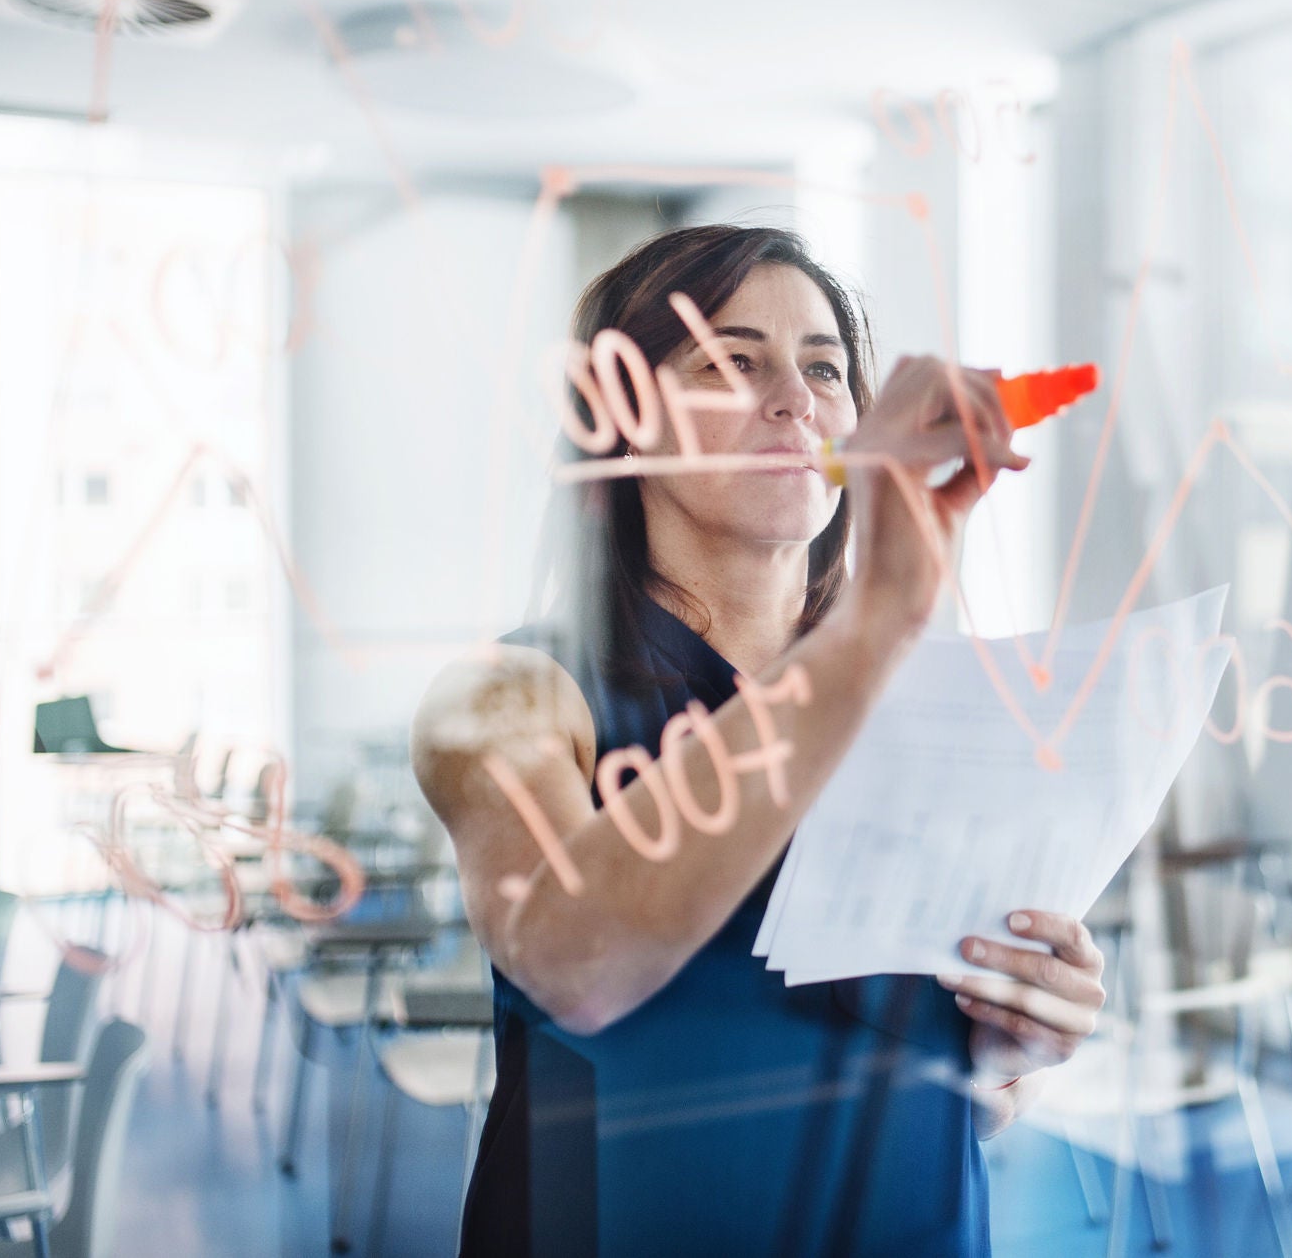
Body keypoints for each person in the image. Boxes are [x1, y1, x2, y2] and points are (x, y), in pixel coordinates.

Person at [412, 225, 1107, 1255]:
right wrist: (875, 622)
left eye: (823, 367)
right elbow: (573, 959)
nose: (794, 398)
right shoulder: (509, 694)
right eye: (732, 361)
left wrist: (1009, 1045)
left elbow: (953, 1091)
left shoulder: (927, 705)